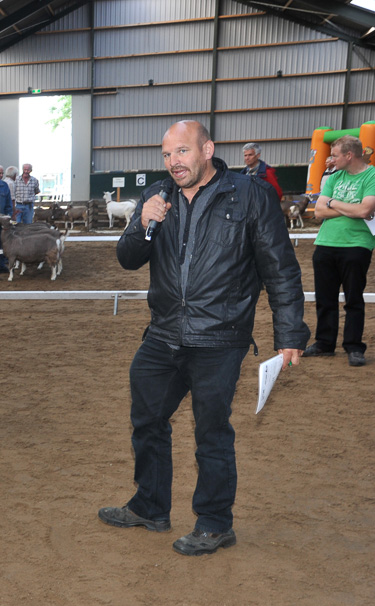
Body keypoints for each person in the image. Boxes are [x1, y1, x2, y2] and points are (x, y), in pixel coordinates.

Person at [100, 120, 309, 556]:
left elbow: (281, 269)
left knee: (211, 433)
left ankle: (215, 522)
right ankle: (150, 505)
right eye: (166, 154)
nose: (173, 162)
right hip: (163, 335)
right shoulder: (158, 196)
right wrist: (141, 223)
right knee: (147, 419)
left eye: (182, 152)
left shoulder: (251, 195)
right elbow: (126, 259)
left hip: (220, 338)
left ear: (207, 149)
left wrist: (290, 331)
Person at [305, 134, 375, 367]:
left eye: (335, 155)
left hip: (357, 245)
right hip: (325, 244)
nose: (331, 159)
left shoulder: (372, 175)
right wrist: (348, 208)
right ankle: (325, 343)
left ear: (349, 155)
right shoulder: (334, 177)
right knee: (325, 298)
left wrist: (334, 203)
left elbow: (365, 211)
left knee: (354, 298)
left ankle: (354, 347)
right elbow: (319, 212)